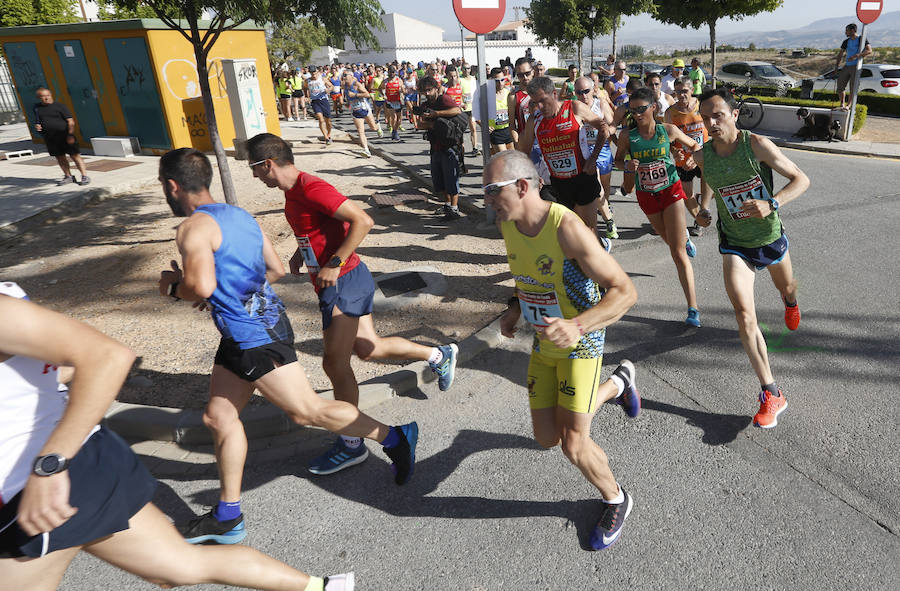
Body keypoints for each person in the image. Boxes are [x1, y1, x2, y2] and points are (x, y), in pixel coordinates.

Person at [0, 283, 354, 591]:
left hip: (39, 487)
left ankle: (387, 436)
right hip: (84, 462)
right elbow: (58, 365)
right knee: (181, 566)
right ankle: (322, 587)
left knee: (305, 411)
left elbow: (106, 356)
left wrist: (51, 465)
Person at [157, 148, 419, 544]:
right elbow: (275, 270)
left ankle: (395, 437)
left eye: (164, 186)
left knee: (307, 411)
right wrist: (223, 294)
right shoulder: (240, 216)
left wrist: (173, 287)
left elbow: (201, 286)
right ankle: (228, 515)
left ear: (173, 186)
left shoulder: (192, 228)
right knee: (218, 417)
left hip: (254, 337)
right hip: (246, 332)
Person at [245, 133, 459, 474]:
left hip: (343, 281)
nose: (255, 176)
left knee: (334, 364)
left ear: (267, 163)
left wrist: (334, 262)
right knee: (369, 348)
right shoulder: (292, 193)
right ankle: (438, 355)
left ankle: (352, 444)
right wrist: (302, 255)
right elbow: (317, 231)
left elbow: (363, 220)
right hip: (345, 279)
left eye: (255, 169)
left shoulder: (310, 187)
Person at [485, 150, 640, 551]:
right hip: (544, 341)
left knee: (574, 444)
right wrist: (516, 309)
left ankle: (616, 499)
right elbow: (528, 275)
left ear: (522, 186)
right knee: (545, 437)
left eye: (491, 190)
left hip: (581, 342)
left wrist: (577, 325)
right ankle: (618, 385)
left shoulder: (566, 227)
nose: (487, 199)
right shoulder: (510, 223)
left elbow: (625, 291)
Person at [694, 88, 807, 428]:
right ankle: (771, 391)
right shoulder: (703, 156)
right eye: (706, 118)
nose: (712, 123)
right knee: (744, 316)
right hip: (735, 245)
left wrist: (771, 203)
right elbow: (710, 178)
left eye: (718, 115)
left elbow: (801, 179)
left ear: (734, 115)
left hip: (769, 237)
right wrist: (703, 207)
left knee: (786, 287)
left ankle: (790, 301)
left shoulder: (755, 145)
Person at [614, 87, 704, 327]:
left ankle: (692, 308)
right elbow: (618, 160)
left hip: (671, 191)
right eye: (632, 111)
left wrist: (692, 158)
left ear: (654, 107)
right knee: (671, 242)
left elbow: (695, 146)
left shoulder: (669, 131)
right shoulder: (627, 136)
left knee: (677, 253)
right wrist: (628, 166)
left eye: (642, 109)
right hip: (646, 196)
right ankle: (683, 238)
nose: (637, 114)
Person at [515, 76, 611, 234]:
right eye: (534, 102)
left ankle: (599, 250)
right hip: (558, 184)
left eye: (543, 100)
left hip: (583, 178)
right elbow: (523, 153)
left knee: (588, 231)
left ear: (554, 93)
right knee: (567, 233)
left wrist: (593, 158)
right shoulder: (534, 121)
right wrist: (531, 174)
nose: (539, 106)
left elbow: (603, 128)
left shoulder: (574, 108)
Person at [665, 76, 711, 237]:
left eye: (684, 91)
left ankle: (704, 210)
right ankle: (699, 217)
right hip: (683, 159)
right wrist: (673, 151)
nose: (681, 95)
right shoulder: (670, 112)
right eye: (677, 92)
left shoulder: (702, 105)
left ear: (692, 90)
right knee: (687, 193)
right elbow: (667, 138)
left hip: (704, 154)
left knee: (708, 180)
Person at [573, 76, 617, 239]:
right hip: (586, 153)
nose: (583, 95)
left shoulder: (601, 104)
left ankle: (605, 207)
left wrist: (607, 132)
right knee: (596, 189)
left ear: (592, 90)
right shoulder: (574, 107)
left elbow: (612, 124)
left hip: (603, 150)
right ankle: (609, 221)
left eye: (586, 91)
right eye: (579, 92)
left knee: (605, 188)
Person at [417, 76, 464, 220]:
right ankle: (448, 205)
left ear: (436, 88)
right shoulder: (425, 105)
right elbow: (420, 125)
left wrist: (436, 114)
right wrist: (432, 124)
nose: (428, 93)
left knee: (451, 179)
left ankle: (454, 209)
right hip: (435, 146)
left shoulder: (444, 99)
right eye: (424, 91)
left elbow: (457, 110)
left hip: (449, 146)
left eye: (430, 90)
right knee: (440, 181)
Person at [32, 87, 89, 186]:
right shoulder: (37, 108)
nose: (46, 98)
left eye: (48, 95)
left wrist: (70, 134)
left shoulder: (60, 106)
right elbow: (39, 120)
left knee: (75, 156)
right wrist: (38, 126)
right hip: (51, 138)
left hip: (65, 136)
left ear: (51, 95)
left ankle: (84, 176)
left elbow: (70, 121)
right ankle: (68, 176)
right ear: (39, 97)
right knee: (60, 157)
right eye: (43, 96)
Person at [835, 23, 873, 110]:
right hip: (847, 66)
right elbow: (840, 54)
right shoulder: (846, 41)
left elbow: (869, 50)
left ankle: (849, 105)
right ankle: (842, 104)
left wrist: (856, 56)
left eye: (847, 30)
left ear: (853, 30)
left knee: (853, 87)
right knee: (840, 85)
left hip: (856, 66)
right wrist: (836, 67)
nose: (845, 32)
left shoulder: (861, 39)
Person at [344, 73, 380, 157]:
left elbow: (367, 94)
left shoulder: (357, 84)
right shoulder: (345, 86)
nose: (345, 78)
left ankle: (378, 126)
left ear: (351, 77)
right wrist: (348, 103)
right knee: (360, 131)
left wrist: (355, 95)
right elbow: (349, 97)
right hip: (355, 111)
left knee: (373, 128)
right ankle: (366, 150)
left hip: (364, 109)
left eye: (346, 77)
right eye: (344, 77)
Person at [484, 67, 514, 154]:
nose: (500, 83)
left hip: (508, 130)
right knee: (504, 157)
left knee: (513, 157)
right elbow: (477, 113)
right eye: (497, 80)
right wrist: (485, 125)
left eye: (502, 80)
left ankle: (490, 154)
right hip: (495, 132)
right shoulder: (487, 95)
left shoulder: (508, 93)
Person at [305, 66, 334, 145]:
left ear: (317, 72)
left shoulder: (322, 79)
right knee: (321, 119)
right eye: (312, 73)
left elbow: (331, 86)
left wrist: (328, 90)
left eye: (314, 73)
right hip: (315, 101)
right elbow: (305, 88)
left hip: (324, 100)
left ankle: (329, 134)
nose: (313, 74)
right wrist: (307, 97)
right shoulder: (307, 81)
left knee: (328, 121)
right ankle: (326, 138)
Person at [459, 65, 480, 156]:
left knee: (473, 128)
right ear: (462, 70)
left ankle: (474, 148)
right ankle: (460, 149)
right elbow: (457, 91)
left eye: (468, 68)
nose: (466, 70)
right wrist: (461, 96)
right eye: (464, 68)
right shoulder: (460, 80)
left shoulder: (473, 79)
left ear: (470, 69)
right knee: (461, 130)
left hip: (472, 106)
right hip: (463, 108)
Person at [383, 66, 404, 141]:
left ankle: (395, 131)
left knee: (399, 119)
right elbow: (380, 88)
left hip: (398, 101)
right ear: (388, 72)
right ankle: (394, 132)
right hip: (389, 101)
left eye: (393, 72)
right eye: (390, 72)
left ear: (395, 72)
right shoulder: (385, 81)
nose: (391, 73)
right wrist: (383, 95)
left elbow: (403, 90)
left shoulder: (399, 80)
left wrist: (402, 91)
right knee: (393, 117)